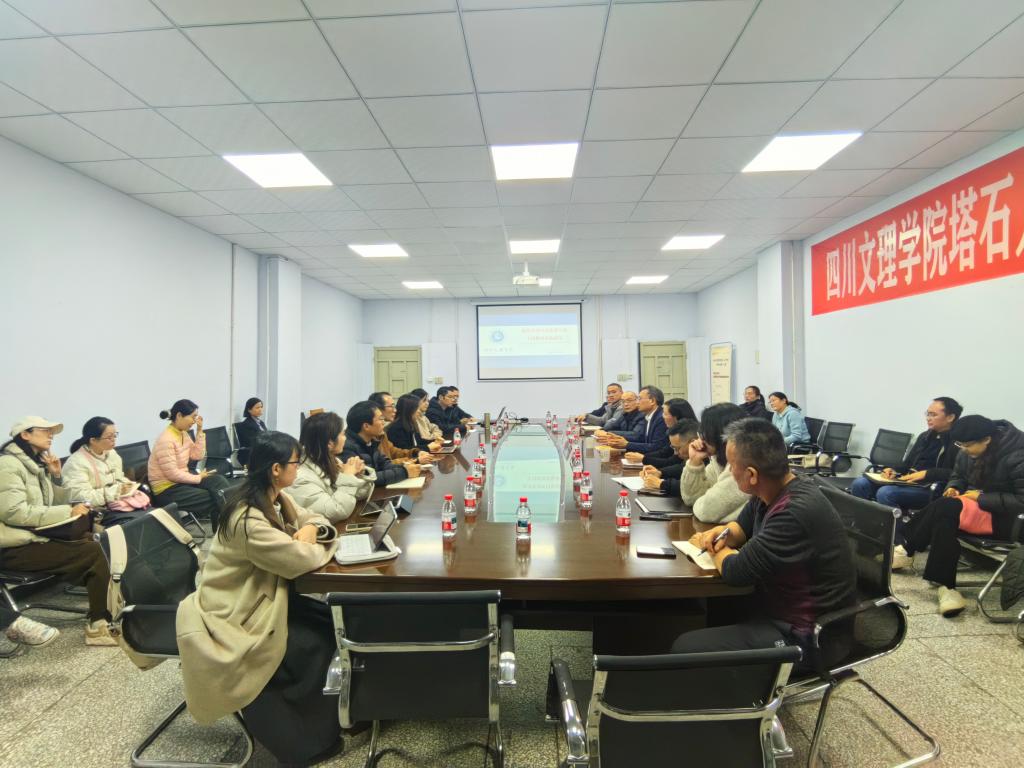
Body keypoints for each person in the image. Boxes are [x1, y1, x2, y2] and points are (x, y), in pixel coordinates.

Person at [176, 431, 342, 765]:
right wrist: (320, 541)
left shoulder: (275, 497)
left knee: (331, 622)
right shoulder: (248, 518)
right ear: (276, 469)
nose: (299, 468)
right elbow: (301, 560)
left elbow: (314, 519)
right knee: (312, 644)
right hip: (235, 611)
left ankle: (334, 716)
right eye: (295, 462)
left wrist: (314, 530)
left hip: (266, 596)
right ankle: (302, 741)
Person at [672, 418, 855, 671]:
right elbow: (740, 528)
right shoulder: (771, 489)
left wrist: (718, 547)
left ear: (751, 475)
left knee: (685, 646)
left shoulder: (792, 512)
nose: (730, 472)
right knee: (708, 609)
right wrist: (721, 534)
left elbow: (736, 571)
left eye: (732, 466)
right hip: (775, 608)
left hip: (807, 637)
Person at [0, 416, 115, 646]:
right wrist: (68, 511)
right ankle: (98, 624)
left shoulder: (34, 464)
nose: (51, 435)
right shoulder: (8, 465)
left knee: (97, 540)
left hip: (35, 535)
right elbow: (13, 512)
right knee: (93, 551)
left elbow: (52, 501)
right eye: (45, 430)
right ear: (25, 435)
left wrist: (56, 476)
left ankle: (106, 611)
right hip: (13, 546)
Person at [903, 415, 1024, 617]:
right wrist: (954, 487)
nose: (963, 450)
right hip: (979, 510)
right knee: (945, 516)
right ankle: (947, 588)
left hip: (1012, 522)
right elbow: (958, 476)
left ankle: (907, 548)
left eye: (967, 445)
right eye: (960, 445)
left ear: (987, 439)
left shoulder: (1018, 455)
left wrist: (981, 498)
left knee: (946, 509)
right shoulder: (967, 450)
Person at [850, 397, 963, 567]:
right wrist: (893, 470)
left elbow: (958, 474)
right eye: (927, 414)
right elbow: (907, 465)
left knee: (886, 493)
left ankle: (900, 546)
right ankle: (868, 535)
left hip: (932, 488)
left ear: (950, 417)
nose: (928, 418)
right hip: (908, 483)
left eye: (933, 414)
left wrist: (927, 474)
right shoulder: (925, 436)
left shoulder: (959, 442)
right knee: (860, 484)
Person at [148, 399, 231, 525]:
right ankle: (227, 527)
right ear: (179, 415)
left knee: (219, 481)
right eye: (193, 417)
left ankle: (226, 526)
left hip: (181, 481)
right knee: (214, 497)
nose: (194, 421)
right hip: (167, 489)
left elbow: (197, 455)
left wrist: (199, 431)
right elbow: (172, 474)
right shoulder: (166, 440)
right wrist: (198, 477)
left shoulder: (182, 434)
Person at [290, 412, 375, 523]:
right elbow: (336, 511)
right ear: (329, 443)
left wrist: (358, 474)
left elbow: (360, 495)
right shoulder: (300, 477)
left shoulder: (330, 460)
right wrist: (348, 476)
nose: (345, 438)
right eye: (343, 434)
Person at [674, 403, 749, 523]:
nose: (701, 439)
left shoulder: (743, 463)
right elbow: (690, 499)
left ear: (719, 435)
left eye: (704, 433)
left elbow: (706, 511)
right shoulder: (718, 460)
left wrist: (704, 500)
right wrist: (694, 462)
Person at [62, 417, 150, 514]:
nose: (114, 440)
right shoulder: (75, 463)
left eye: (115, 435)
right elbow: (79, 497)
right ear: (93, 440)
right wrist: (115, 491)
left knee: (154, 514)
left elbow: (119, 478)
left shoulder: (111, 453)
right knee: (146, 518)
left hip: (120, 504)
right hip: (99, 512)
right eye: (109, 437)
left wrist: (128, 485)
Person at [341, 401, 419, 487]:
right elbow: (367, 478)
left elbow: (385, 464)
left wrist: (406, 467)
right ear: (366, 426)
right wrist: (404, 472)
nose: (383, 422)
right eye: (380, 419)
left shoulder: (371, 441)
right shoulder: (347, 447)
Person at [625, 397, 697, 466]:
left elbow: (673, 461)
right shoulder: (673, 431)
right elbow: (665, 452)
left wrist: (644, 459)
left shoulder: (689, 434)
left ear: (676, 416)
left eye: (665, 414)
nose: (662, 416)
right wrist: (642, 456)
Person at [596, 386, 668, 454]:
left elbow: (656, 447)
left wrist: (627, 444)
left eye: (639, 399)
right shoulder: (649, 416)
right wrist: (603, 431)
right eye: (623, 401)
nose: (637, 402)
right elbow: (646, 442)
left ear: (652, 401)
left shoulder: (661, 418)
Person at [640, 419, 700, 496]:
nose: (675, 453)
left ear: (692, 442)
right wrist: (660, 472)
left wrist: (661, 484)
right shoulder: (690, 456)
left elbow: (692, 488)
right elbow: (681, 467)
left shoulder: (706, 456)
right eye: (673, 448)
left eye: (678, 448)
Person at [235, 397, 267, 466]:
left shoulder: (261, 422)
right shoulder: (246, 424)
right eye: (257, 407)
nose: (260, 409)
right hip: (251, 453)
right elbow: (253, 442)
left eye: (261, 407)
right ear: (249, 410)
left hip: (260, 450)